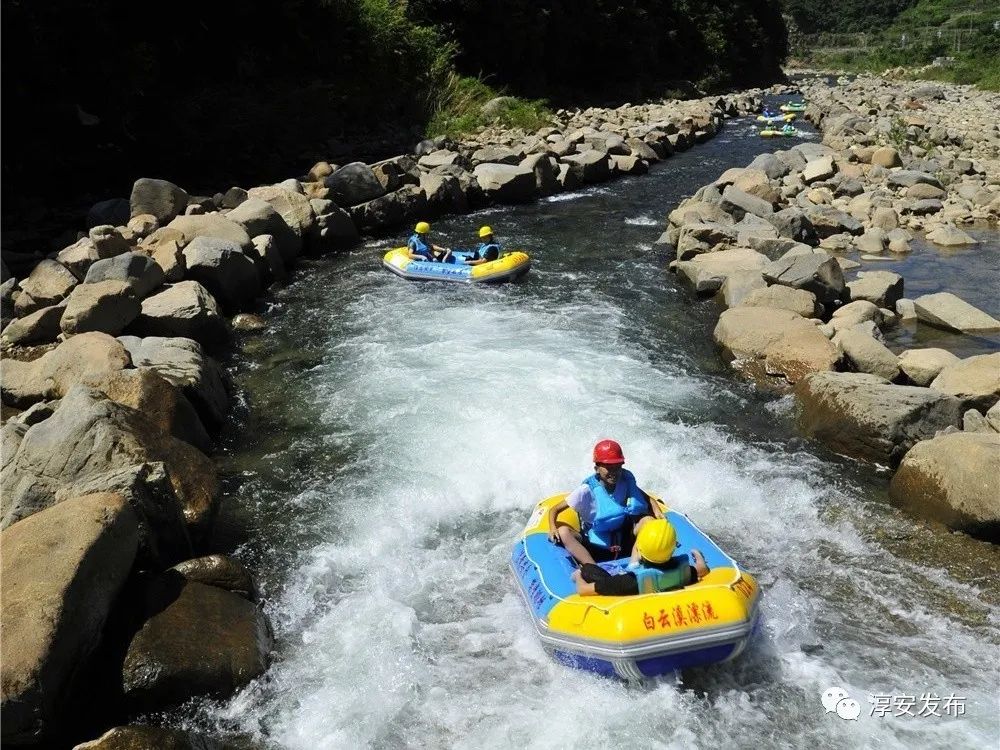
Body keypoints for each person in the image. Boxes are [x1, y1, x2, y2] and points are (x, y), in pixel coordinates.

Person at [547, 439, 664, 565]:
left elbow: (646, 497)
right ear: (597, 468)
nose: (614, 473)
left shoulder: (625, 481)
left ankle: (634, 564)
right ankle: (593, 568)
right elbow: (554, 509)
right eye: (609, 468)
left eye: (617, 467)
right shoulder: (585, 491)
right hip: (594, 544)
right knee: (563, 532)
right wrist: (553, 527)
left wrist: (657, 510)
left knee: (648, 521)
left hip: (623, 538)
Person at [571, 518, 710, 596]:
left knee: (588, 569)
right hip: (654, 577)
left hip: (627, 590)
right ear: (672, 549)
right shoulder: (682, 572)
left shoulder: (627, 582)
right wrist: (697, 555)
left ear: (639, 550)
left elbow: (583, 590)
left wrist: (578, 575)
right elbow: (702, 569)